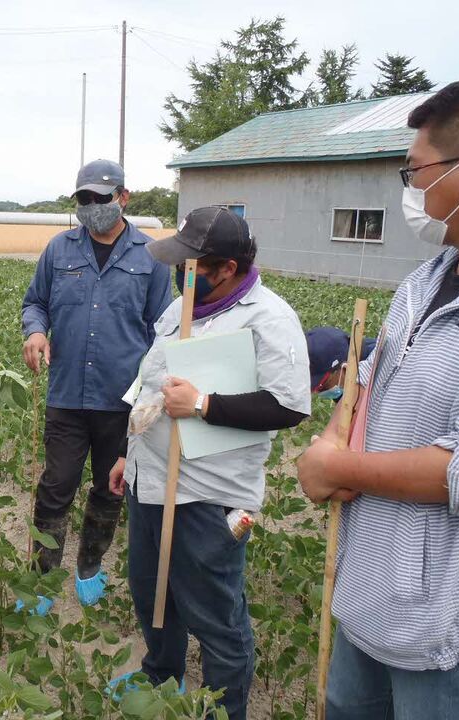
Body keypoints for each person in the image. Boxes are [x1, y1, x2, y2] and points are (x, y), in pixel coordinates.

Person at [297, 74, 459, 719]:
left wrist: (340, 467)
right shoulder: (421, 285)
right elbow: (367, 387)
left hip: (449, 633)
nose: (412, 190)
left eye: (416, 171)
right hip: (371, 598)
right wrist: (337, 432)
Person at [107, 206, 310, 720]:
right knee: (153, 592)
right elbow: (151, 384)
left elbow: (288, 406)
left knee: (215, 611)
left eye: (192, 264)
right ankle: (162, 676)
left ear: (227, 268)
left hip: (208, 493)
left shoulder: (269, 318)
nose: (181, 273)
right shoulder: (183, 307)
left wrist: (204, 404)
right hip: (149, 480)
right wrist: (126, 455)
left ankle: (225, 708)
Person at [21, 159, 172, 611]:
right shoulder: (58, 249)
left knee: (111, 487)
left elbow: (162, 330)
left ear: (123, 197)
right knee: (56, 484)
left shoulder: (152, 256)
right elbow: (36, 304)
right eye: (83, 200)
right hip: (67, 394)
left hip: (122, 401)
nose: (90, 208)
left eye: (100, 199)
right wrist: (35, 331)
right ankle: (43, 578)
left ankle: (90, 565)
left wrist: (151, 395)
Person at [305, 326, 377, 400]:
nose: (318, 392)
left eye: (322, 387)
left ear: (345, 369)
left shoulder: (380, 374)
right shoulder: (345, 381)